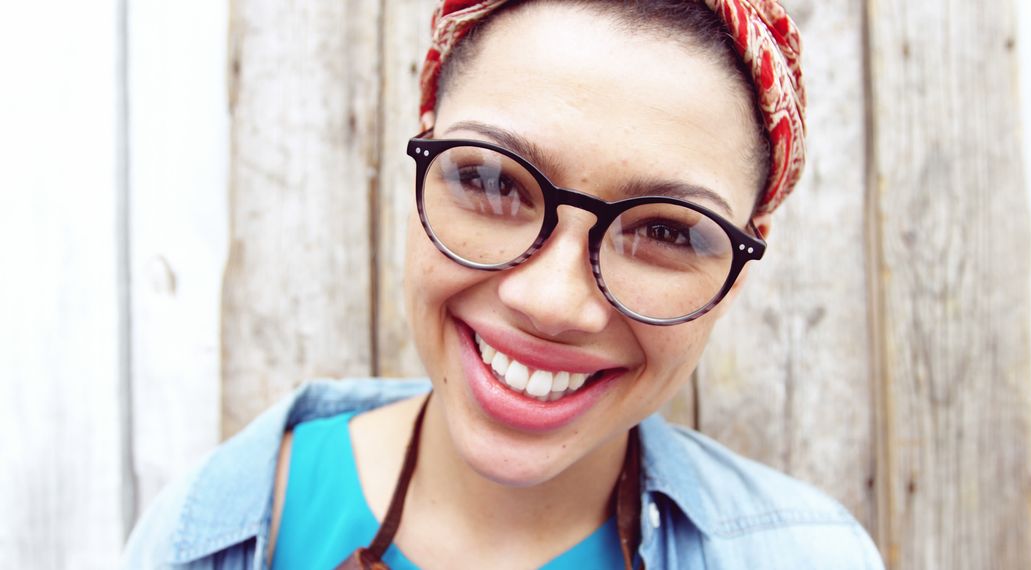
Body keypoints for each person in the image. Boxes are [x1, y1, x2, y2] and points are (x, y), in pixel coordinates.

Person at [124, 0, 885, 568]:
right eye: (491, 181)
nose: (551, 303)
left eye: (666, 231)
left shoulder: (811, 553)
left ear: (739, 265)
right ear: (422, 152)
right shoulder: (204, 535)